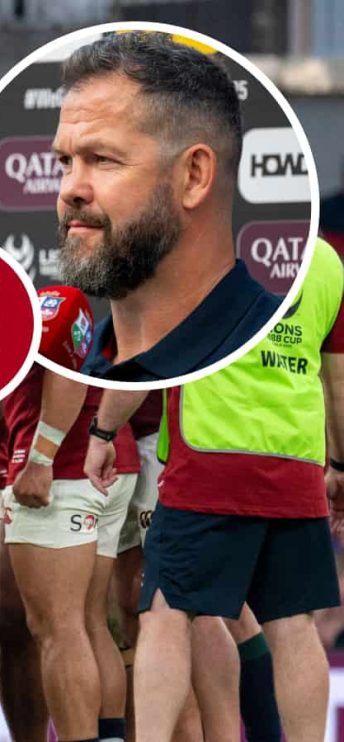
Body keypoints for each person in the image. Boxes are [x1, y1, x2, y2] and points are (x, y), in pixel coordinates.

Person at [85, 237, 344, 742]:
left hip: (207, 460)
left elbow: (150, 350)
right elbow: (338, 379)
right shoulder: (327, 261)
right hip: (295, 464)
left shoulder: (200, 245)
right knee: (294, 625)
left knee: (166, 612)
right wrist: (340, 464)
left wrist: (102, 430)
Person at [53, 32, 279, 381]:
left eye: (102, 159)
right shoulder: (67, 367)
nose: (70, 189)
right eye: (65, 161)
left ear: (193, 175)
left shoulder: (277, 346)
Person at [0, 285, 137, 742]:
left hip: (66, 469)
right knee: (88, 619)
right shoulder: (50, 305)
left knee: (57, 627)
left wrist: (39, 460)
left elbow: (67, 372)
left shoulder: (50, 302)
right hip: (108, 460)